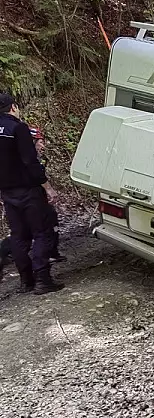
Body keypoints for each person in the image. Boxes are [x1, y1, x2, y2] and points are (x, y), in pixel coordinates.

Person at [0, 94, 63, 294]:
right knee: (41, 232)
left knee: (18, 236)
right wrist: (47, 187)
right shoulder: (18, 128)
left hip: (7, 192)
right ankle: (43, 280)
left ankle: (26, 280)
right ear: (13, 107)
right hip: (28, 190)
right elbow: (30, 161)